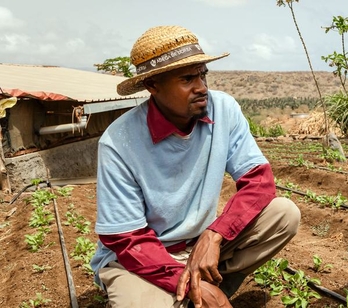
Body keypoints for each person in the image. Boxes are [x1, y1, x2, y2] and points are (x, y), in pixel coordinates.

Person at [90, 25, 301, 308]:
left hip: (199, 245)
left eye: (203, 74)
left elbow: (259, 181)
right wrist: (187, 280)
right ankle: (197, 292)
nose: (201, 87)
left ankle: (203, 291)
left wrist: (215, 234)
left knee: (283, 214)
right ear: (153, 85)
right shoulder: (119, 142)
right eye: (187, 78)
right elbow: (126, 239)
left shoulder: (223, 109)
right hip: (140, 259)